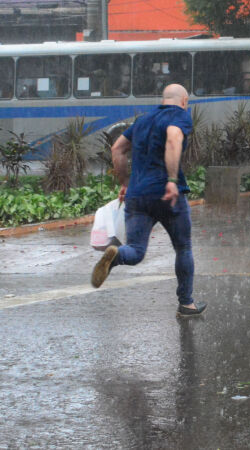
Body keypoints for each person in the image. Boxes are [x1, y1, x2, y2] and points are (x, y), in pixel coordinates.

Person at [91, 84, 206, 316]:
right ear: (184, 100)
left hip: (137, 194)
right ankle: (186, 303)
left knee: (135, 250)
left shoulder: (143, 120)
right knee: (183, 247)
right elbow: (173, 138)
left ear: (163, 99)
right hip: (167, 194)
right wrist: (172, 180)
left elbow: (117, 149)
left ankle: (117, 255)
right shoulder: (180, 116)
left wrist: (124, 183)